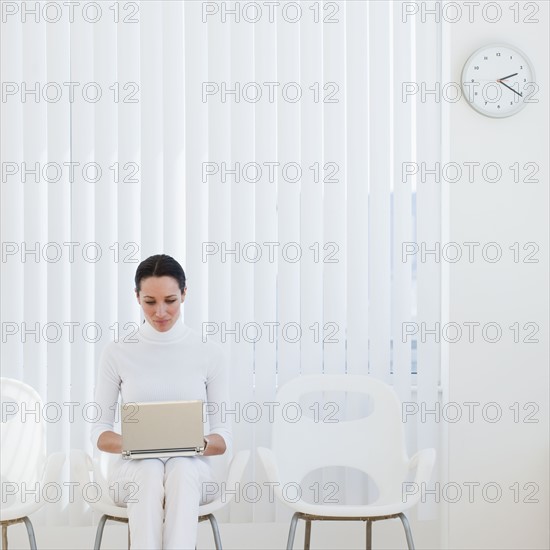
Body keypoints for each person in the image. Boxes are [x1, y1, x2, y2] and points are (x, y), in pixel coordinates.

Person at [91, 254, 232, 549]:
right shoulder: (117, 351)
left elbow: (223, 437)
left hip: (192, 471)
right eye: (150, 302)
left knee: (180, 465)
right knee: (149, 467)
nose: (161, 312)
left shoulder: (209, 352)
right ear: (137, 298)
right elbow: (100, 434)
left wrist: (192, 443)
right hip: (133, 470)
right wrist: (138, 444)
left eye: (170, 300)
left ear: (184, 293)